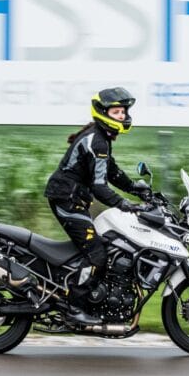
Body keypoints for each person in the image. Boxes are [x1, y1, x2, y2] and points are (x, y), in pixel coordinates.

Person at [44, 86, 152, 325]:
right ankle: (73, 307)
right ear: (103, 112)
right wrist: (125, 204)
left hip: (73, 199)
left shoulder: (101, 137)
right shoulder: (97, 141)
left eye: (123, 111)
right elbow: (100, 186)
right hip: (66, 200)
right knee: (97, 254)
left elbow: (112, 172)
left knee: (105, 246)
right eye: (116, 111)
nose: (122, 116)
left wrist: (137, 188)